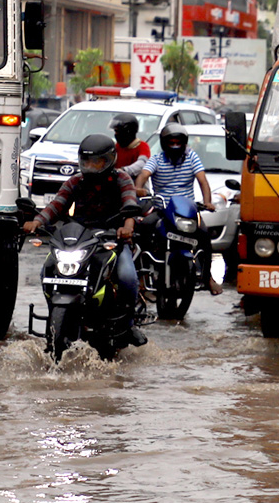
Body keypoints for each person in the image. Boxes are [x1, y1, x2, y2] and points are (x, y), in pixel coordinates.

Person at [22, 133, 146, 347]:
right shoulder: (75, 181)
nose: (91, 166)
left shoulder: (122, 179)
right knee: (48, 269)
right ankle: (55, 315)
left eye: (96, 161)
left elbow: (129, 206)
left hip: (112, 239)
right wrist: (37, 222)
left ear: (109, 160)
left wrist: (127, 228)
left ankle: (129, 324)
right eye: (86, 161)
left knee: (127, 277)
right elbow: (56, 205)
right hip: (78, 238)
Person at [135, 122, 223, 296]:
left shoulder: (192, 157)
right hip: (163, 209)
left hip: (187, 211)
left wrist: (207, 202)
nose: (175, 146)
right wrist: (139, 188)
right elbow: (143, 175)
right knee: (143, 228)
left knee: (204, 236)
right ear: (164, 143)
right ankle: (141, 277)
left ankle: (207, 278)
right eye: (171, 142)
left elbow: (203, 181)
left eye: (178, 142)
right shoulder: (156, 159)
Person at [110, 112, 149, 178]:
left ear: (128, 132)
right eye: (115, 131)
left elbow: (142, 163)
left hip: (134, 182)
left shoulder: (142, 146)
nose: (116, 134)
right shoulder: (116, 147)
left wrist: (124, 170)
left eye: (118, 131)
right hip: (117, 181)